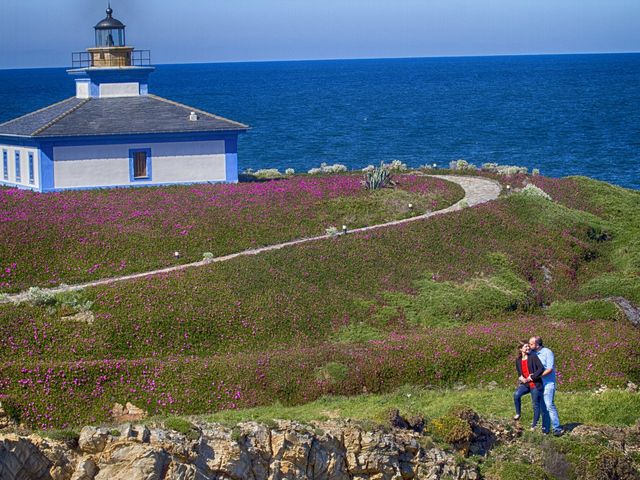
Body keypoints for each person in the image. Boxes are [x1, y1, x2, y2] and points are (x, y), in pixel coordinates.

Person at [529, 336, 563, 436]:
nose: (530, 346)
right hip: (538, 384)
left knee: (549, 405)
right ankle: (546, 429)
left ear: (537, 344)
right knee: (541, 407)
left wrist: (536, 376)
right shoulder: (532, 353)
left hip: (548, 383)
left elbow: (549, 369)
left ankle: (557, 428)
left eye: (531, 344)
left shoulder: (547, 352)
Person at [513, 341, 544, 431]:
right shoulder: (518, 360)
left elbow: (541, 368)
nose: (528, 348)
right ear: (520, 348)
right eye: (526, 346)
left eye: (528, 346)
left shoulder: (533, 357)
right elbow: (519, 373)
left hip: (535, 384)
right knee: (516, 395)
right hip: (526, 384)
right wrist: (521, 378)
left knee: (535, 404)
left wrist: (533, 376)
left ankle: (534, 425)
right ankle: (518, 413)